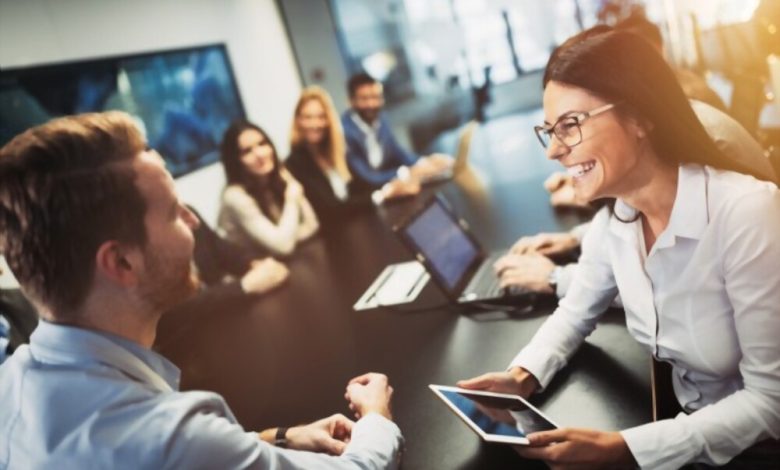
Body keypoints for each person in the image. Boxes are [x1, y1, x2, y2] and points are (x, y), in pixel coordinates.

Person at [0, 111, 403, 468]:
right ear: (122, 262)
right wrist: (374, 419)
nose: (194, 221)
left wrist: (279, 438)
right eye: (176, 211)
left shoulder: (13, 381)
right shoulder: (170, 437)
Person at [460, 29, 780, 469]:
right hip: (687, 430)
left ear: (638, 117)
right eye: (550, 131)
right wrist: (520, 378)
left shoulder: (745, 211)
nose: (554, 150)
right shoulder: (619, 217)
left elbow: (770, 403)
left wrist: (623, 448)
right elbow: (574, 313)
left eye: (570, 125)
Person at [286, 86, 418, 225]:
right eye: (308, 117)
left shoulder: (333, 151)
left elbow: (360, 187)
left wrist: (394, 187)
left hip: (358, 223)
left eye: (321, 117)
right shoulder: (294, 163)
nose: (315, 124)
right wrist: (383, 195)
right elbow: (331, 209)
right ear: (298, 120)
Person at [218, 121, 319, 256]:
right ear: (235, 161)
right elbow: (283, 247)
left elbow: (312, 225)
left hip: (281, 262)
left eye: (262, 144)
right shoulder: (234, 196)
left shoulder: (277, 175)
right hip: (250, 272)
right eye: (247, 151)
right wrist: (292, 198)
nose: (259, 154)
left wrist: (284, 238)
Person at [341, 73, 453, 188]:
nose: (372, 104)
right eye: (365, 99)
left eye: (376, 97)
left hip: (391, 188)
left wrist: (425, 162)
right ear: (351, 101)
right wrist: (408, 173)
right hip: (366, 196)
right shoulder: (344, 132)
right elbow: (368, 178)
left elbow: (398, 152)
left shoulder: (381, 119)